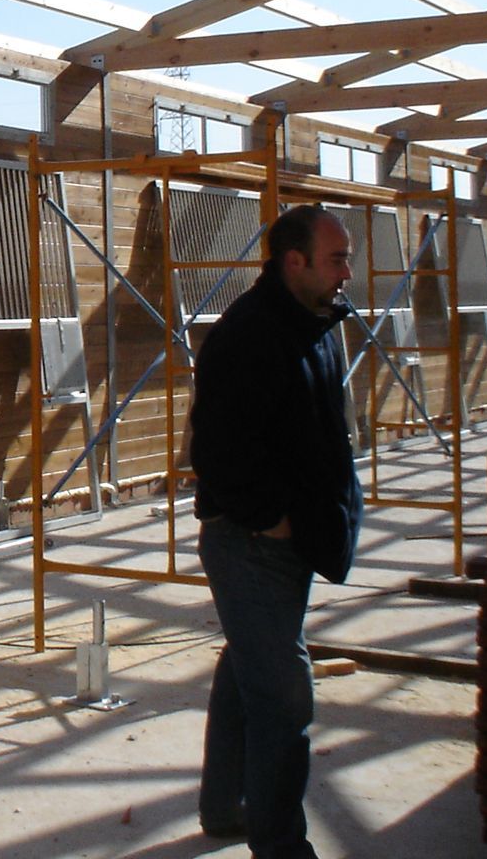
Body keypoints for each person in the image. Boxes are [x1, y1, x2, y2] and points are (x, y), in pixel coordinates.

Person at [188, 204, 363, 859]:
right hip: (253, 545)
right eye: (337, 258)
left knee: (248, 666)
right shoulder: (251, 336)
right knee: (284, 702)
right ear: (295, 262)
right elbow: (218, 453)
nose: (347, 270)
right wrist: (274, 521)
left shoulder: (314, 322)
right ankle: (282, 847)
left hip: (286, 541)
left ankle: (223, 805)